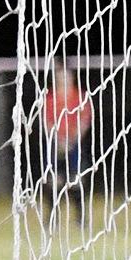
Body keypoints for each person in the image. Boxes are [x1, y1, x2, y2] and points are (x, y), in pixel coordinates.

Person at [43, 65, 93, 210]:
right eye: (60, 76)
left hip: (74, 144)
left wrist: (73, 139)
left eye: (66, 76)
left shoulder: (80, 97)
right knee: (54, 180)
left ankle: (80, 218)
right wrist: (58, 139)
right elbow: (46, 121)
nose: (63, 79)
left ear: (72, 77)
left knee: (76, 179)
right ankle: (52, 220)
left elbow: (84, 120)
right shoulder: (50, 98)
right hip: (55, 144)